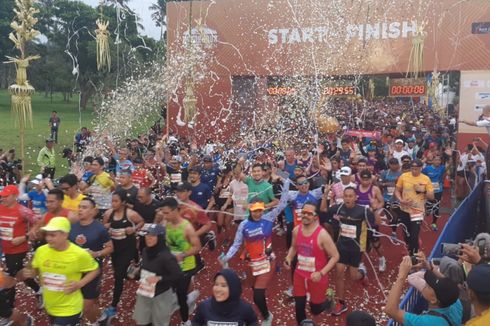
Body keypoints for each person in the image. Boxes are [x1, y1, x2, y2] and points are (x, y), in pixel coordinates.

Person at [220, 178, 290, 326]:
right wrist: (226, 257)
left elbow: (283, 203)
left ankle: (267, 316)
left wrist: (286, 183)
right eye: (254, 211)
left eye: (260, 211)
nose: (258, 214)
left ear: (263, 209)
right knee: (250, 287)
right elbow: (236, 244)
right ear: (250, 210)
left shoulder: (269, 218)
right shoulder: (244, 225)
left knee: (258, 295)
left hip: (268, 262)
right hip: (252, 263)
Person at [24, 217, 100, 325]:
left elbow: (95, 270)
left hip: (70, 308)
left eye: (53, 235)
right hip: (50, 305)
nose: (48, 238)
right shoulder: (41, 251)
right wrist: (32, 273)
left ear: (65, 235)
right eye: (47, 234)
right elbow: (36, 269)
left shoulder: (79, 254)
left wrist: (79, 284)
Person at [323, 187, 382, 316]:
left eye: (351, 196)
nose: (348, 198)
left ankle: (362, 274)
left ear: (356, 198)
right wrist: (325, 195)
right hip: (341, 246)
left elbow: (377, 222)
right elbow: (323, 210)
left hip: (356, 248)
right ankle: (341, 303)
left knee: (353, 276)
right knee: (339, 274)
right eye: (346, 196)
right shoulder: (338, 208)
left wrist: (375, 208)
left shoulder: (363, 210)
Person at [284, 202, 339, 324]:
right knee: (299, 307)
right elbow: (293, 247)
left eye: (309, 213)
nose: (305, 215)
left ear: (315, 217)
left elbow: (335, 256)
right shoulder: (296, 230)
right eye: (303, 212)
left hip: (317, 278)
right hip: (299, 274)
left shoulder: (322, 235)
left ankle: (328, 300)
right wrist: (288, 258)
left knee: (315, 309)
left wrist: (321, 273)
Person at [100, 190, 144, 322]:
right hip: (115, 250)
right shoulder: (108, 213)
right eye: (112, 201)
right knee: (123, 274)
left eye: (116, 201)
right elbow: (104, 228)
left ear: (123, 202)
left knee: (118, 276)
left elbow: (141, 221)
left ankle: (113, 307)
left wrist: (134, 228)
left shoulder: (130, 214)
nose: (113, 204)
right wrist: (106, 227)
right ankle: (139, 274)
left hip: (128, 248)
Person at [69, 197, 113, 324]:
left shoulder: (99, 229)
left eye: (84, 207)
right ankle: (101, 318)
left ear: (93, 211)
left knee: (86, 306)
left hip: (91, 271)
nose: (80, 210)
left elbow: (110, 247)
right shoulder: (72, 226)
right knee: (78, 304)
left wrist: (96, 253)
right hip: (74, 270)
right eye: (79, 207)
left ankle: (97, 321)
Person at [384, 256, 462, 325]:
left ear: (433, 300)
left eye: (427, 286)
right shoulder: (454, 302)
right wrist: (429, 267)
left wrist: (402, 275)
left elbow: (390, 310)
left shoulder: (428, 322)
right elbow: (448, 285)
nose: (425, 284)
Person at [160, 196, 201, 326]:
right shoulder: (166, 223)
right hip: (172, 265)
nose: (164, 216)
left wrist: (182, 255)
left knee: (180, 296)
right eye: (163, 213)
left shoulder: (187, 227)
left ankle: (185, 321)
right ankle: (188, 297)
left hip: (186, 266)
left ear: (175, 210)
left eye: (166, 213)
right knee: (171, 290)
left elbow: (197, 247)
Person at [0, 185, 41, 308]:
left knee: (9, 277)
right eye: (2, 196)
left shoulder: (23, 211)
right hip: (6, 248)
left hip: (19, 249)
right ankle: (39, 290)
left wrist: (25, 237)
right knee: (20, 274)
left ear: (14, 196)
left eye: (6, 196)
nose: (3, 199)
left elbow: (38, 223)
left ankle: (8, 309)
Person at [133, 224, 182, 326]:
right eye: (147, 235)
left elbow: (177, 275)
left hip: (161, 295)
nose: (148, 238)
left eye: (152, 236)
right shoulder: (145, 251)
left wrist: (159, 278)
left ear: (160, 238)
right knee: (142, 321)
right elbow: (146, 267)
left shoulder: (167, 257)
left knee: (159, 323)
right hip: (145, 291)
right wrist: (137, 272)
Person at [394, 159, 434, 255]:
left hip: (417, 210)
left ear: (421, 168)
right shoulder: (403, 176)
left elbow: (432, 197)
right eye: (412, 169)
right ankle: (410, 247)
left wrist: (423, 191)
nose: (414, 171)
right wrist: (401, 200)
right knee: (406, 234)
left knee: (414, 235)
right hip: (404, 210)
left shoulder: (426, 179)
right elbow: (397, 190)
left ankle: (414, 256)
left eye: (416, 169)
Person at [192, 269, 258, 326]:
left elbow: (253, 321)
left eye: (223, 286)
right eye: (216, 284)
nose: (218, 289)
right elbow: (196, 322)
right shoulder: (204, 306)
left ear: (233, 288)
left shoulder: (244, 308)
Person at [422, 156, 446, 231]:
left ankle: (434, 223)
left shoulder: (442, 168)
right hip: (429, 191)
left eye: (439, 160)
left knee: (436, 207)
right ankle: (426, 212)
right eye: (436, 160)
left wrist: (449, 156)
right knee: (428, 208)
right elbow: (422, 177)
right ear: (432, 161)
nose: (438, 161)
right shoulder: (427, 169)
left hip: (438, 190)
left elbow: (449, 166)